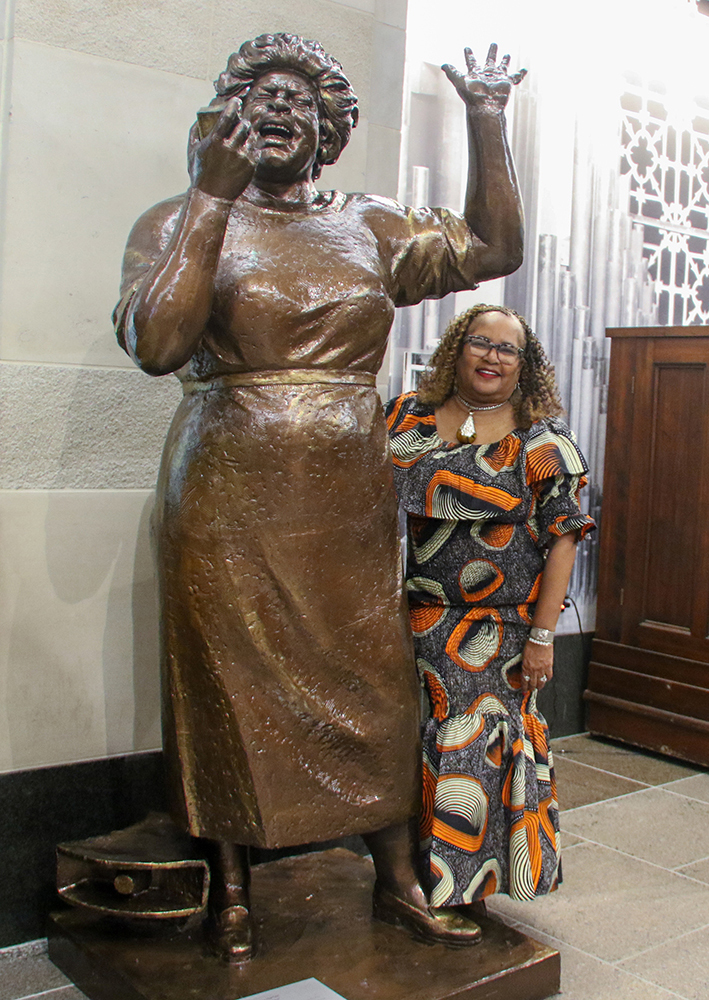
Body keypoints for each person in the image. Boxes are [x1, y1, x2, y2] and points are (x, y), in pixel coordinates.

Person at [113, 34, 526, 961]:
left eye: (300, 98)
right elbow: (158, 344)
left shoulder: (369, 223)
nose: (278, 107)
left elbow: (493, 246)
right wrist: (210, 198)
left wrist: (486, 118)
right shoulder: (177, 219)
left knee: (369, 677)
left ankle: (396, 876)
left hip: (344, 490)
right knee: (221, 680)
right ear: (226, 116)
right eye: (258, 93)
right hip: (224, 489)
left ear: (329, 128)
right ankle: (229, 886)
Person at [386, 304, 595, 911]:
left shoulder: (543, 441)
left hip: (500, 629)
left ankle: (461, 893)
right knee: (414, 748)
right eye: (481, 341)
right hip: (414, 616)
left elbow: (565, 539)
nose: (492, 356)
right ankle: (406, 880)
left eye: (509, 349)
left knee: (472, 752)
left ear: (524, 366)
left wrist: (543, 636)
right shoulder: (409, 418)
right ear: (458, 348)